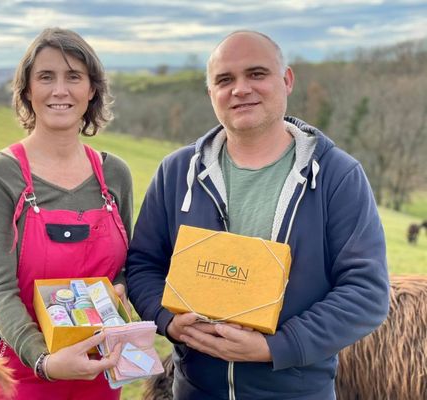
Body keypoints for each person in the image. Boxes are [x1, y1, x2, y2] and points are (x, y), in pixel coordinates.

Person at [125, 30, 389, 399]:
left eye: (257, 74)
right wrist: (169, 321)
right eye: (224, 80)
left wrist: (275, 347)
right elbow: (143, 265)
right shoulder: (175, 172)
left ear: (287, 80)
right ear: (210, 94)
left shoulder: (337, 175)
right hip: (195, 391)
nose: (241, 89)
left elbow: (366, 293)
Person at [0, 27, 133, 399]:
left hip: (99, 366)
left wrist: (120, 289)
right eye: (46, 77)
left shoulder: (115, 175)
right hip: (20, 369)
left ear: (92, 89)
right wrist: (44, 360)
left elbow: (124, 265)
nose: (60, 90)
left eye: (74, 76)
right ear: (27, 90)